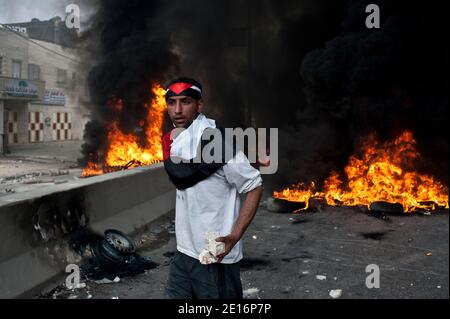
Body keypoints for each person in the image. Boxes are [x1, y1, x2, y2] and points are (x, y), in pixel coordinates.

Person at [162, 77, 263, 299]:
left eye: (185, 101)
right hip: (184, 254)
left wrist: (235, 236)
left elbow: (254, 185)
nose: (177, 110)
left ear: (199, 105)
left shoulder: (219, 143)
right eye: (172, 102)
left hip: (214, 256)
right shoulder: (175, 142)